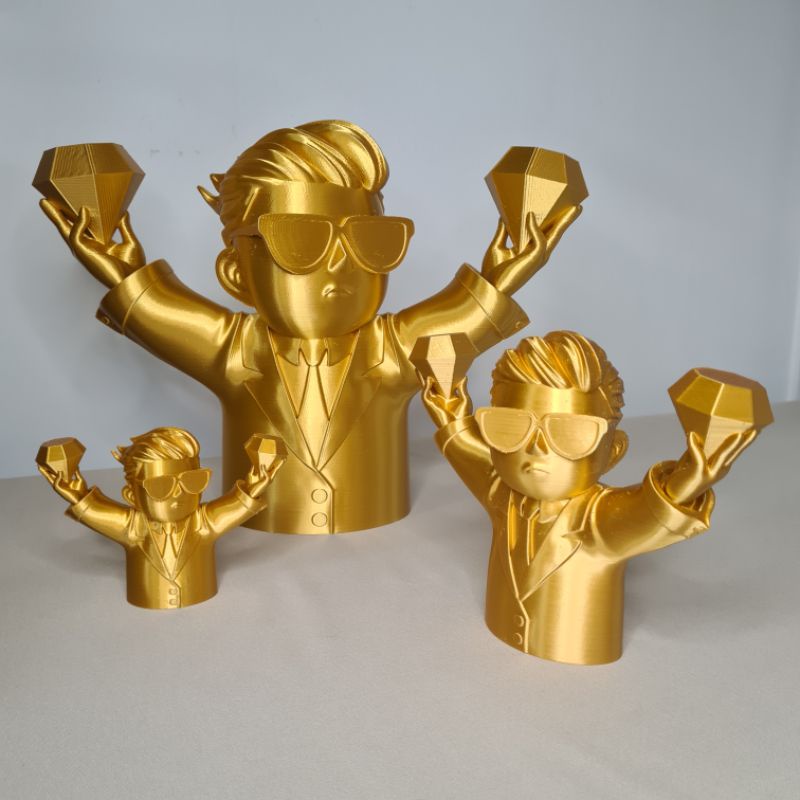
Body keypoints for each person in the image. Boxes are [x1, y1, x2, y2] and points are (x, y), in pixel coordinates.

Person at [39, 120, 581, 534]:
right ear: (236, 274)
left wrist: (500, 277)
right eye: (299, 242)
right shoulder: (234, 349)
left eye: (370, 241)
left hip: (379, 526)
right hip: (261, 523)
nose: (340, 266)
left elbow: (454, 319)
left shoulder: (391, 349)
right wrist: (123, 271)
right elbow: (161, 314)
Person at [420, 331, 757, 664]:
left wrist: (686, 483)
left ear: (614, 451)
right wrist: (446, 395)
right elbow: (465, 448)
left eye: (570, 434)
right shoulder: (499, 491)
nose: (536, 448)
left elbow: (646, 511)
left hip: (578, 656)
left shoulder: (600, 521)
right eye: (510, 426)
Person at [37, 427, 282, 609]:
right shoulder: (133, 527)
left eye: (192, 481)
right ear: (131, 496)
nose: (179, 494)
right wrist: (78, 495)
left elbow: (235, 506)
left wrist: (252, 487)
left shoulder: (203, 521)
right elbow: (97, 513)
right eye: (161, 486)